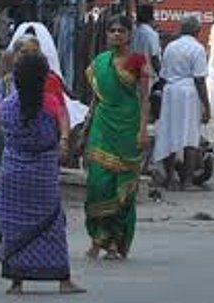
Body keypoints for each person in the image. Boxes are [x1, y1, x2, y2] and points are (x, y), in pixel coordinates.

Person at [0, 52, 83, 295]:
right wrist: (64, 142)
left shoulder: (6, 103)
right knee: (51, 223)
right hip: (43, 174)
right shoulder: (50, 102)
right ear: (43, 78)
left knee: (15, 224)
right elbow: (63, 121)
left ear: (16, 79)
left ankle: (16, 282)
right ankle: (63, 281)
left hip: (13, 173)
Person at [84, 15, 150, 261]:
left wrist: (143, 130)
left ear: (129, 34)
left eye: (121, 30)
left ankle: (113, 242)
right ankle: (98, 237)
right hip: (102, 127)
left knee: (121, 190)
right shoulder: (100, 62)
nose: (116, 34)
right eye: (112, 30)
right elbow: (96, 97)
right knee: (97, 185)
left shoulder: (138, 61)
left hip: (127, 129)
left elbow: (144, 99)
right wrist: (85, 129)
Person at [152, 16, 209, 190]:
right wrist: (206, 104)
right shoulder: (198, 49)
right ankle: (187, 182)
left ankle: (170, 179)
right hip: (188, 93)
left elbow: (162, 75)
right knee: (190, 137)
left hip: (171, 91)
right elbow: (200, 79)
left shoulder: (170, 47)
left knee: (170, 134)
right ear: (197, 31)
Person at [132, 4, 161, 76]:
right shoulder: (152, 34)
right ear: (151, 18)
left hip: (134, 71)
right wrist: (160, 75)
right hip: (148, 74)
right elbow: (154, 58)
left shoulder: (133, 32)